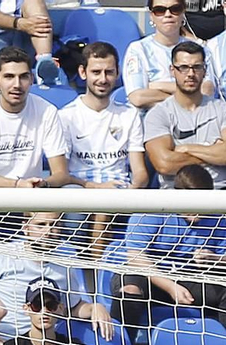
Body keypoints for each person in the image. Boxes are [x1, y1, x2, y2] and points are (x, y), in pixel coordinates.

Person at [114, 167, 226, 329]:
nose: (198, 211)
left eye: (202, 205)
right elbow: (135, 257)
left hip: (190, 279)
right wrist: (170, 286)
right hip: (150, 278)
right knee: (130, 289)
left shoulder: (216, 218)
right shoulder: (153, 210)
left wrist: (214, 258)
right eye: (192, 205)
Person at [0, 211, 113, 343]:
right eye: (41, 225)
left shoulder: (64, 263)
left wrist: (94, 307)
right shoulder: (2, 254)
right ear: (25, 228)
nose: (48, 231)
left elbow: (71, 307)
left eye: (53, 225)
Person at [60, 42, 147, 257]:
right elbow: (61, 173)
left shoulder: (129, 115)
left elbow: (140, 171)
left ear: (117, 73)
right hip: (79, 186)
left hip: (119, 188)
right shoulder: (66, 116)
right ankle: (90, 272)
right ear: (82, 72)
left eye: (109, 72)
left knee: (107, 204)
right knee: (96, 204)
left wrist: (132, 191)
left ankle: (97, 274)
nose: (103, 79)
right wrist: (93, 187)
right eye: (96, 72)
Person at [0, 48, 71, 196]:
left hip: (30, 197)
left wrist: (42, 185)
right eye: (9, 77)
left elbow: (61, 173)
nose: (17, 85)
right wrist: (17, 185)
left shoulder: (47, 111)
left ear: (32, 79)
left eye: (23, 77)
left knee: (72, 191)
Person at [142, 42, 226, 190]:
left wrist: (184, 148)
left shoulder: (225, 110)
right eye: (183, 67)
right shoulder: (158, 114)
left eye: (197, 67)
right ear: (172, 70)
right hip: (175, 197)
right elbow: (164, 164)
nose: (190, 74)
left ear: (205, 71)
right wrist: (213, 153)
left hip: (222, 193)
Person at [122, 1, 201, 110]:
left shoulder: (199, 48)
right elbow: (138, 97)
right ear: (151, 16)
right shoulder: (138, 50)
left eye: (175, 9)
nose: (168, 14)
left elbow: (206, 90)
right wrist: (184, 97)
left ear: (183, 13)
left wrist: (155, 85)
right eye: (160, 10)